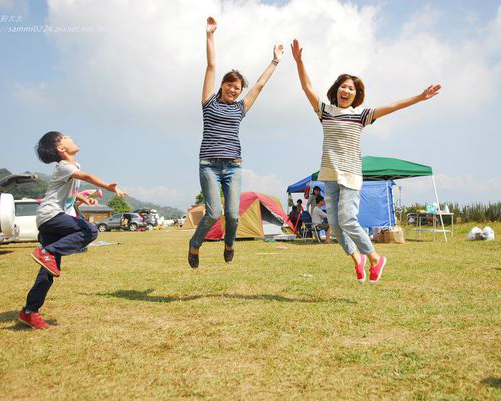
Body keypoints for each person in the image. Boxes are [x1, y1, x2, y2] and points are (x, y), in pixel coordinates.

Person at [291, 39, 440, 285]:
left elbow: (392, 106)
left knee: (348, 220)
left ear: (356, 94)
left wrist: (419, 97)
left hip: (350, 176)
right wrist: (299, 62)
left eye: (351, 88)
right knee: (337, 227)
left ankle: (374, 258)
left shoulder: (361, 116)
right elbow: (307, 87)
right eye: (343, 86)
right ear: (336, 89)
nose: (346, 90)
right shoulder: (325, 112)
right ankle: (357, 260)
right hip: (329, 176)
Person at [188, 17, 284, 268]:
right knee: (213, 213)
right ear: (222, 85)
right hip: (208, 164)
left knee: (232, 215)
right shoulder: (209, 102)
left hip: (233, 165)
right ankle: (195, 244)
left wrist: (274, 61)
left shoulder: (240, 108)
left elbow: (260, 85)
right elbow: (210, 66)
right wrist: (210, 35)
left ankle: (229, 243)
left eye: (237, 88)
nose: (233, 90)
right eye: (230, 85)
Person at [18, 131, 126, 329]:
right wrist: (108, 187)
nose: (71, 137)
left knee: (49, 270)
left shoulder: (70, 168)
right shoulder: (65, 167)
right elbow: (86, 177)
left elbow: (70, 192)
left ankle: (29, 311)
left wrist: (84, 199)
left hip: (47, 219)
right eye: (66, 136)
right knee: (90, 231)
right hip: (51, 216)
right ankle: (46, 251)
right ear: (61, 148)